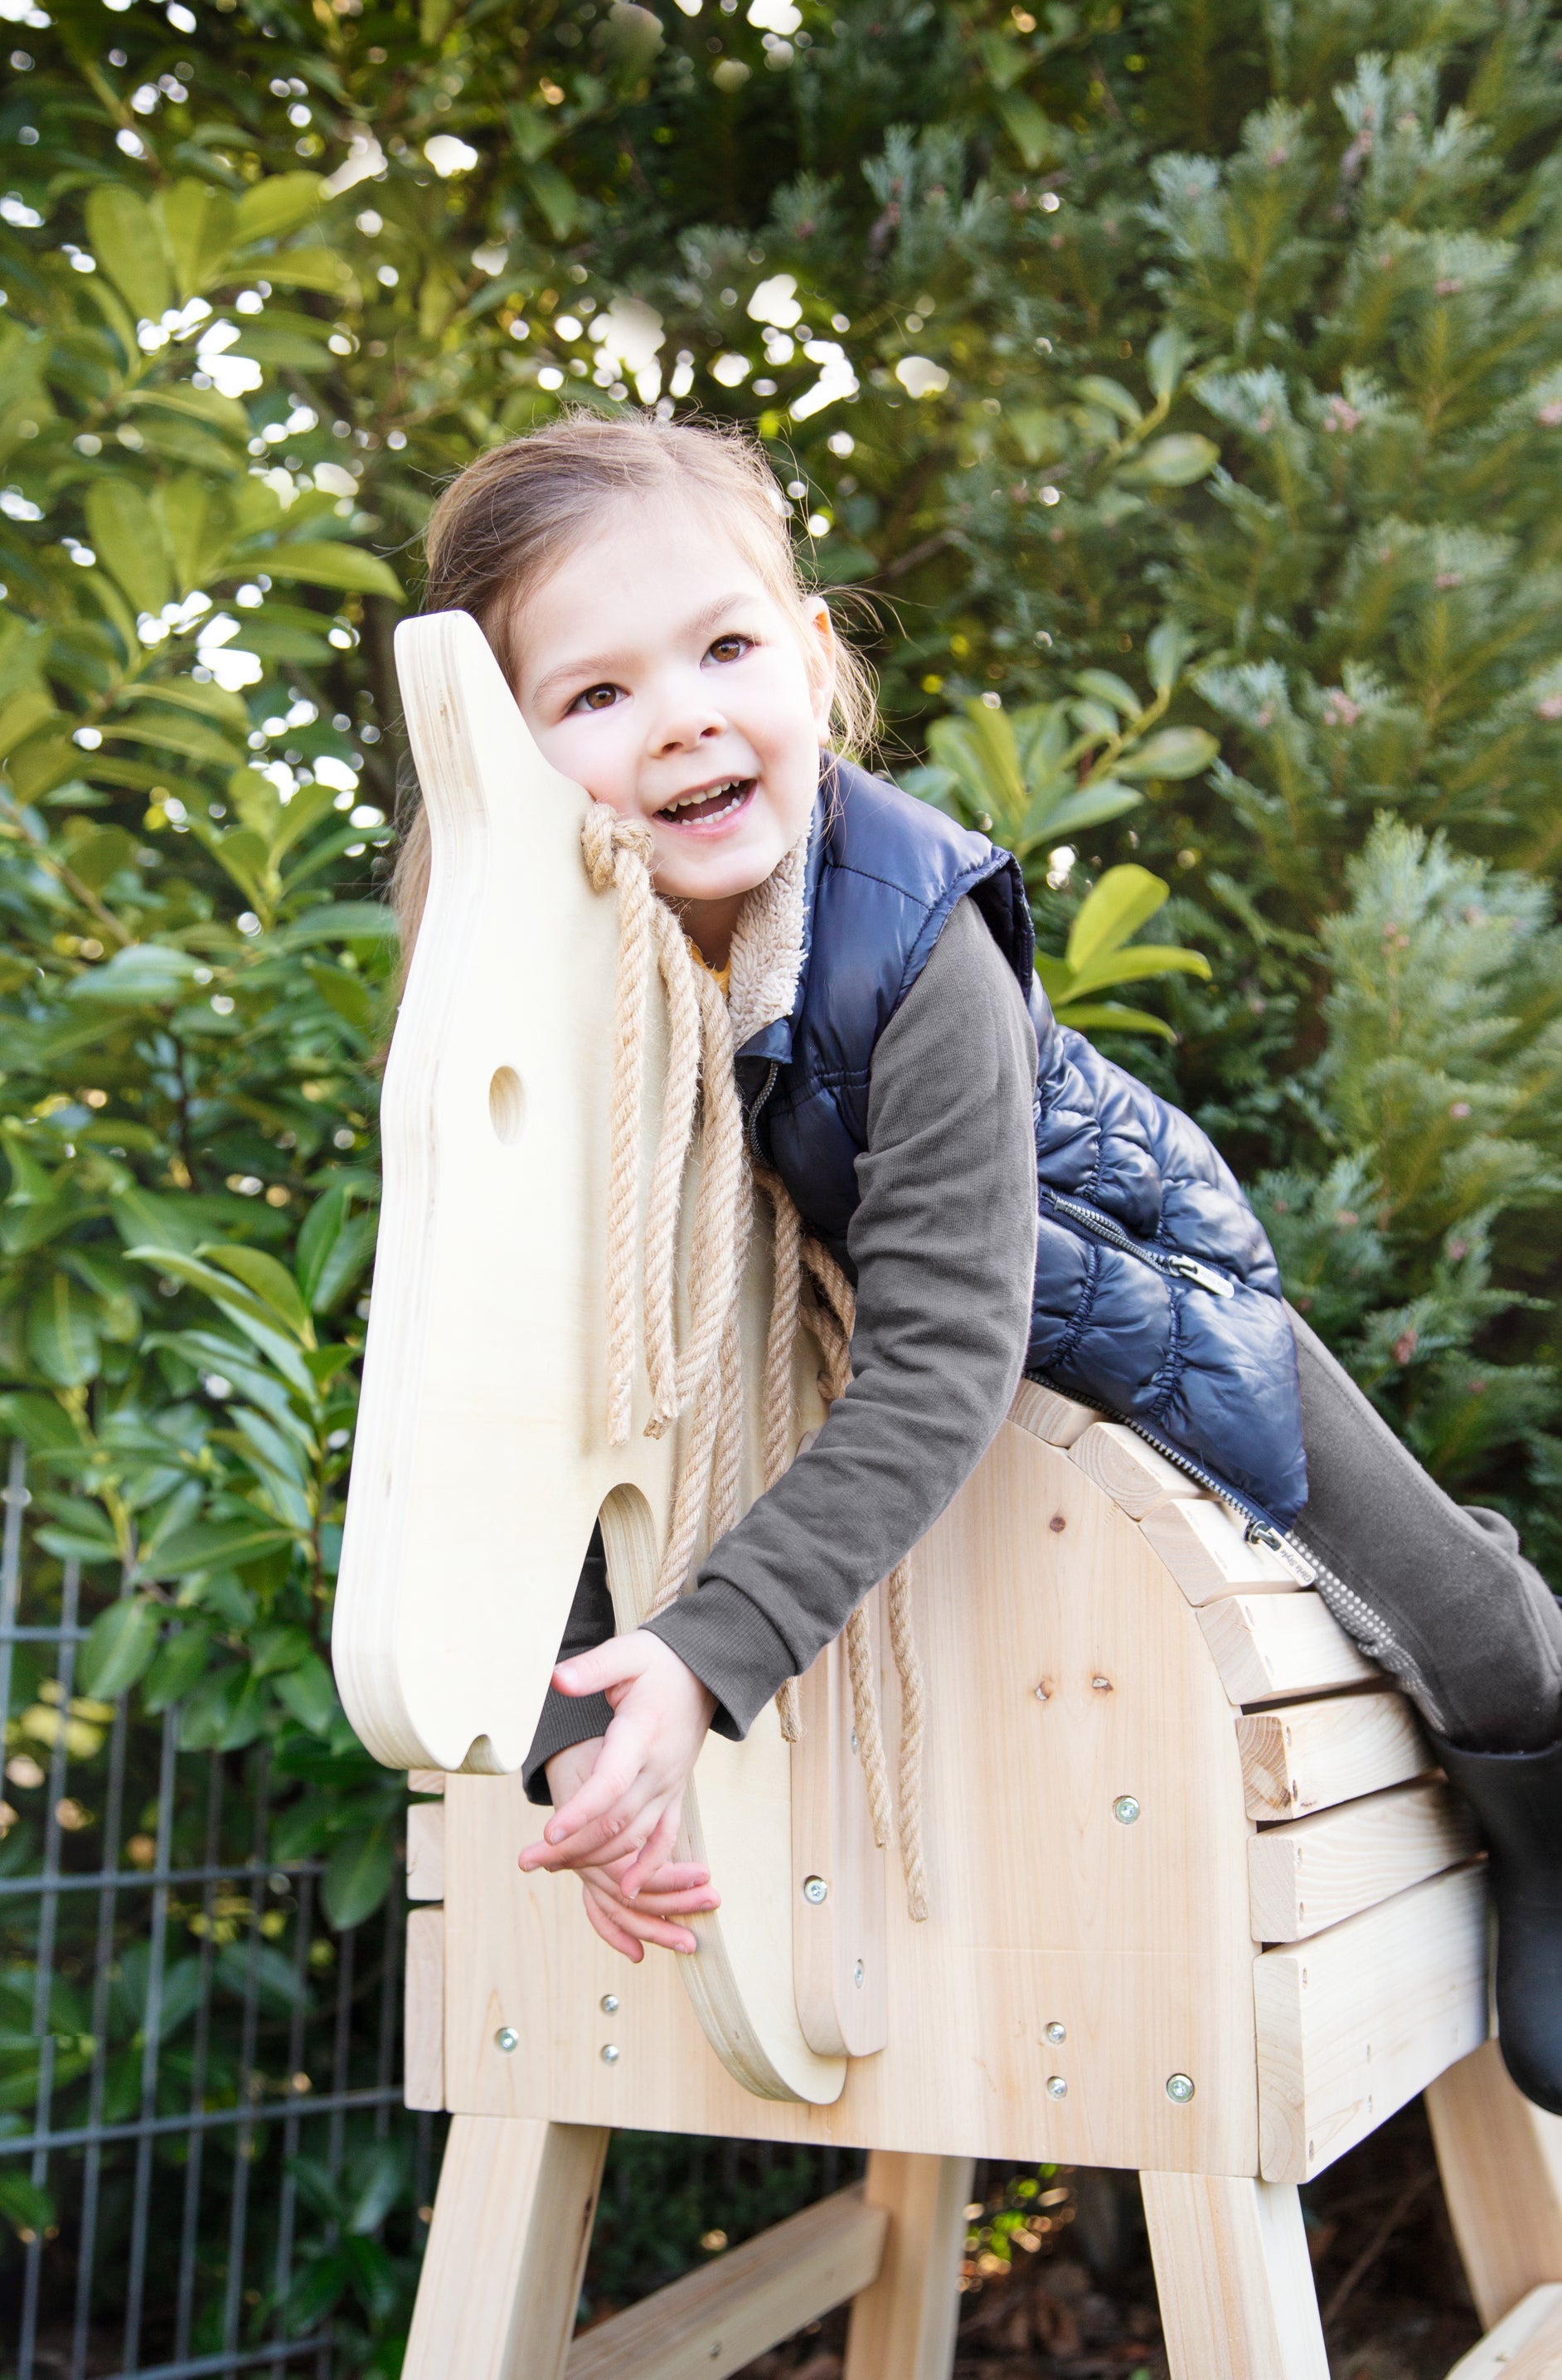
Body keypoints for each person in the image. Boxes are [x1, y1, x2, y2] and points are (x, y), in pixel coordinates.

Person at [394, 410, 1562, 2114]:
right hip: (834, 1332)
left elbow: (946, 1353)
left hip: (1113, 1270)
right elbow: (538, 1387)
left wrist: (710, 1652)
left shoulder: (908, 933)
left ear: (810, 660)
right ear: (510, 762)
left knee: (1444, 1598)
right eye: (599, 694)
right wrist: (586, 1731)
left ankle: (1547, 1815)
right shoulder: (542, 1018)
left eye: (726, 647)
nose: (688, 715)